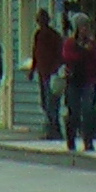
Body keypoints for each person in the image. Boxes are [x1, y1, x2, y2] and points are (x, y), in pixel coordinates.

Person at [62, 12, 96, 152]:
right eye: (82, 26)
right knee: (73, 112)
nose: (85, 29)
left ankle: (88, 140)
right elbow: (69, 57)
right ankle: (71, 139)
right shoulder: (70, 43)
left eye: (86, 26)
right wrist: (83, 51)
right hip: (74, 81)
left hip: (89, 80)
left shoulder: (91, 43)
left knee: (88, 111)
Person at [30, 9, 65, 140]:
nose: (39, 22)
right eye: (38, 19)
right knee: (45, 102)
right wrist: (33, 69)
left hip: (52, 74)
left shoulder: (54, 36)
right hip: (42, 72)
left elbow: (60, 55)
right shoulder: (38, 35)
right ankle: (51, 128)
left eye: (42, 19)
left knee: (52, 103)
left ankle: (55, 130)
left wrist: (56, 69)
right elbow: (35, 53)